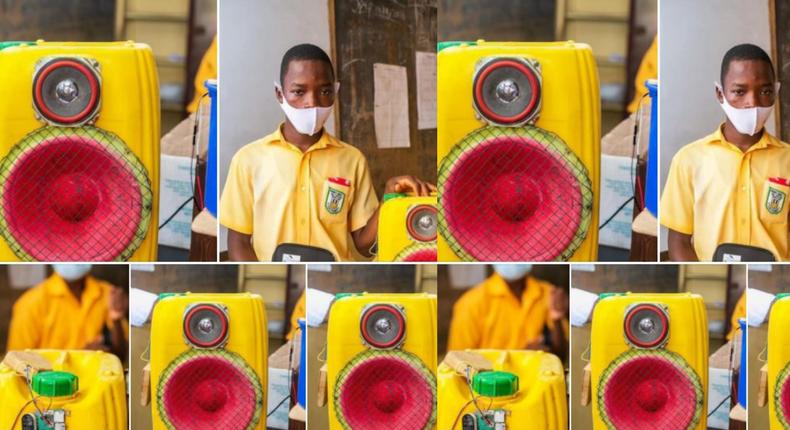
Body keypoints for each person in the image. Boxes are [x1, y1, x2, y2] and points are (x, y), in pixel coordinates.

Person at [220, 43, 434, 261]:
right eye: (298, 92)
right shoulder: (248, 160)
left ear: (336, 91)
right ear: (279, 94)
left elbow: (363, 244)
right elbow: (238, 242)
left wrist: (389, 200)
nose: (312, 102)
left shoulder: (352, 159)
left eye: (324, 91)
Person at [661, 43, 790, 261]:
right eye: (739, 91)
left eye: (765, 91)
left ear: (776, 93)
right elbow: (679, 241)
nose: (752, 102)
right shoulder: (689, 160)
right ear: (720, 94)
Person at [447, 264, 569, 361]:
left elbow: (560, 355)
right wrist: (521, 357)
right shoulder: (470, 303)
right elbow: (459, 362)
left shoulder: (547, 292)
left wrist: (557, 318)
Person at [7, 265, 128, 360]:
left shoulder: (107, 292)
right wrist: (81, 356)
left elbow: (121, 355)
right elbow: (18, 362)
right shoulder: (30, 303)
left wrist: (116, 319)